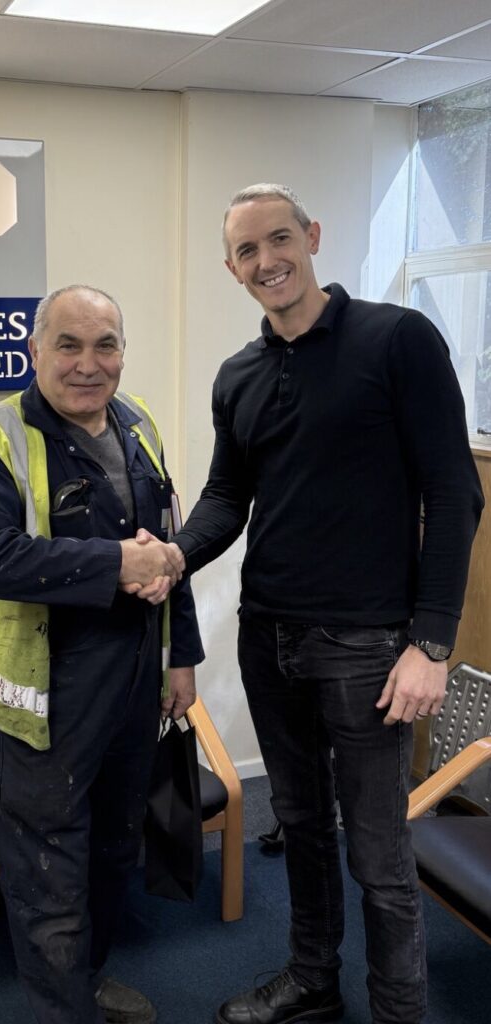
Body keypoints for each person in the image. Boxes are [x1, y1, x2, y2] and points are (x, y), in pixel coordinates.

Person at [150, 184, 483, 1024]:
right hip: (269, 637)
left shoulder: (398, 340)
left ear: (313, 236)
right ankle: (313, 979)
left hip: (369, 647)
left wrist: (431, 643)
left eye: (280, 239)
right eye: (248, 251)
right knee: (297, 823)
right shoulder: (239, 376)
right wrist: (175, 555)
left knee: (378, 852)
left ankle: (399, 1010)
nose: (268, 260)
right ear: (232, 269)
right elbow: (228, 497)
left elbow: (455, 493)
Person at [0, 284, 204, 1024]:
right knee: (49, 873)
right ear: (35, 351)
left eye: (105, 345)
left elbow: (167, 548)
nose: (89, 364)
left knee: (115, 848)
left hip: (133, 679)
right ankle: (63, 1011)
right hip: (46, 693)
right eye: (69, 345)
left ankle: (85, 982)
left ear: (122, 352)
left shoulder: (138, 423)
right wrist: (114, 564)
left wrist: (181, 655)